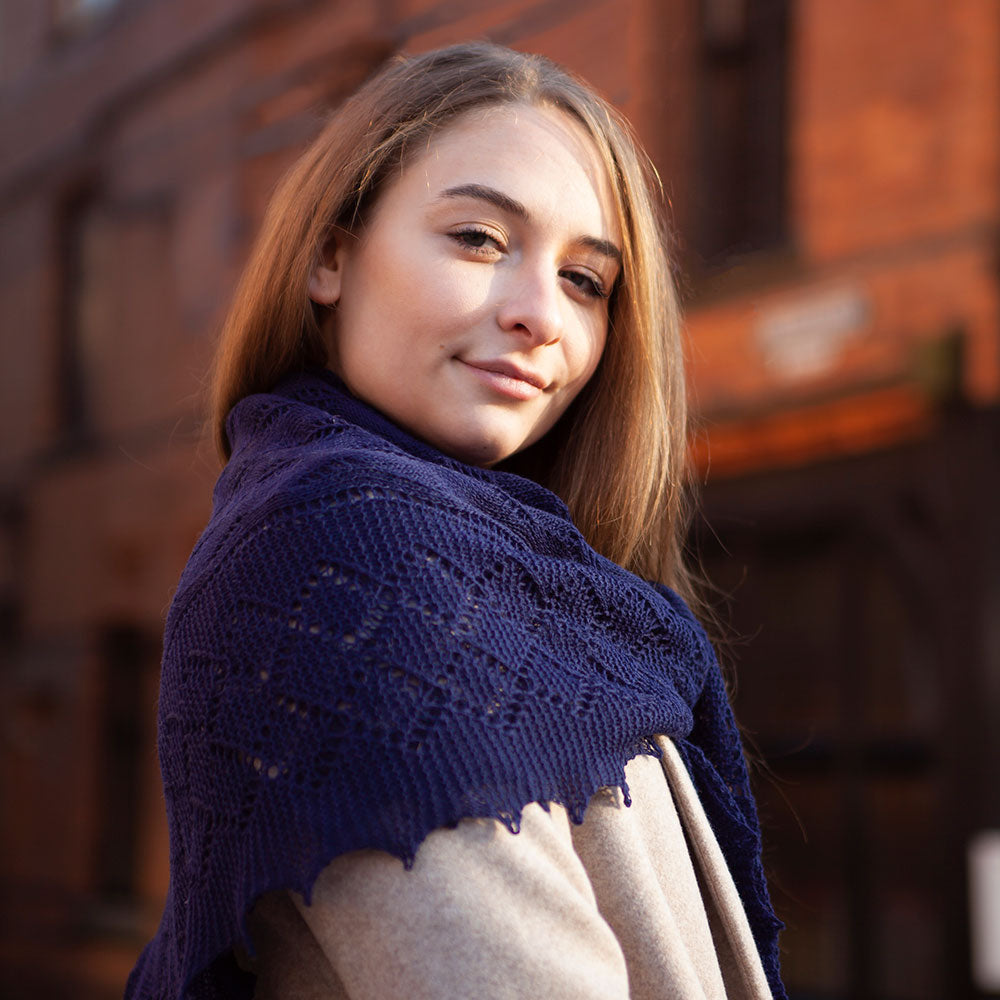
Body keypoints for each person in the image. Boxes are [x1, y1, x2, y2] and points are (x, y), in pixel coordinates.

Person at [125, 41, 786, 1000]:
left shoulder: (550, 588)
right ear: (328, 255)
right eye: (478, 238)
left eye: (586, 281)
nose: (540, 316)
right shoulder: (347, 546)